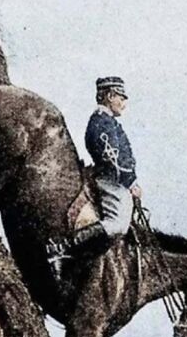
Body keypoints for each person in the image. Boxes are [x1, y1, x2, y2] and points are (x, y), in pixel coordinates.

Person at [48, 77, 142, 268]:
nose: (124, 103)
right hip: (111, 180)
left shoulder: (108, 121)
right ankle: (64, 245)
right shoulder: (101, 122)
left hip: (117, 179)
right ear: (109, 96)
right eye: (121, 98)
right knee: (117, 225)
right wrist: (131, 182)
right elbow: (112, 158)